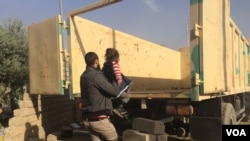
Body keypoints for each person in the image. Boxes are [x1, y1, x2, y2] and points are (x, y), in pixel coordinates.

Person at [80, 52, 119, 141]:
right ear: (96, 61)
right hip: (99, 119)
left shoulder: (83, 76)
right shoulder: (96, 76)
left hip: (87, 119)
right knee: (113, 138)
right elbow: (114, 92)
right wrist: (113, 78)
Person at [102, 48, 132, 119]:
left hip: (108, 85)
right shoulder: (115, 64)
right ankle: (119, 108)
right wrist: (119, 85)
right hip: (114, 85)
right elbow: (118, 76)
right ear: (116, 56)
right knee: (127, 96)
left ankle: (119, 105)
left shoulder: (105, 65)